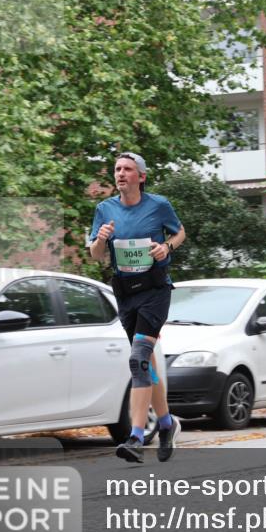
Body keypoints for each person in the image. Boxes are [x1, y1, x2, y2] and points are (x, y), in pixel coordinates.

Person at [89, 151, 186, 463]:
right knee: (146, 364)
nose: (120, 173)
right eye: (117, 169)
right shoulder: (104, 210)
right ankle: (167, 424)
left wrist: (166, 247)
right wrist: (101, 239)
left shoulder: (158, 205)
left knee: (137, 359)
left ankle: (136, 437)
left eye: (127, 169)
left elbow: (180, 233)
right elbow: (95, 255)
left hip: (155, 291)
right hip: (126, 294)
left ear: (141, 177)